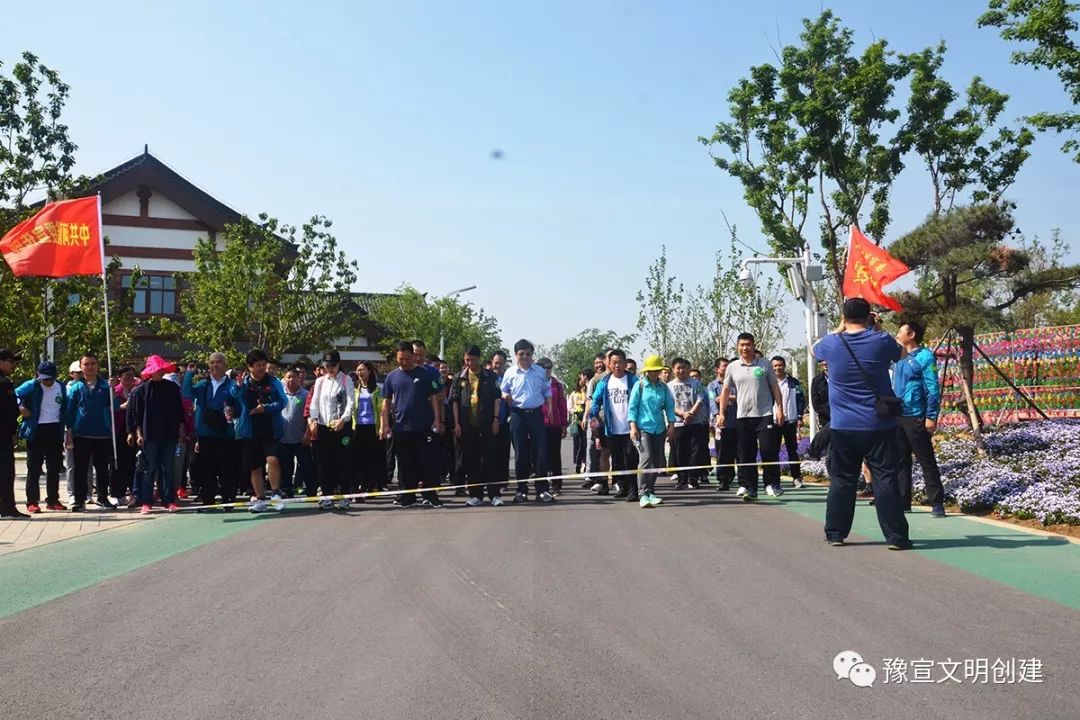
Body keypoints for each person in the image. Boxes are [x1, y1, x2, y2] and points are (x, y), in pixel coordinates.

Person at [813, 298, 910, 550]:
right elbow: (902, 353)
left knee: (842, 481)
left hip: (843, 426)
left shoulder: (831, 343)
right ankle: (896, 537)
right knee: (885, 479)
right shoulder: (881, 340)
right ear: (869, 317)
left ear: (844, 318)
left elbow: (813, 350)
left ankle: (835, 533)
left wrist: (839, 327)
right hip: (879, 425)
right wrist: (877, 328)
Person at [717, 334, 785, 501]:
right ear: (737, 347)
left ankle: (771, 484)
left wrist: (779, 409)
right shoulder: (733, 367)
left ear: (753, 346)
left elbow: (775, 387)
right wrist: (721, 413)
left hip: (764, 415)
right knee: (747, 454)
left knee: (768, 450)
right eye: (742, 345)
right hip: (743, 416)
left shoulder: (764, 364)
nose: (745, 348)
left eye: (748, 344)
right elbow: (725, 390)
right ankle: (751, 488)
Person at [381, 341, 444, 508]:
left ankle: (430, 495)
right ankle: (407, 496)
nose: (404, 362)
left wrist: (437, 420)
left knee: (427, 462)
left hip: (424, 426)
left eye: (407, 359)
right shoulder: (391, 377)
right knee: (405, 464)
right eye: (400, 359)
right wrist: (385, 424)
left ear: (412, 356)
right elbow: (386, 403)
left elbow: (435, 398)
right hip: (401, 428)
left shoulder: (425, 374)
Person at [893, 321, 945, 518]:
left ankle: (937, 503)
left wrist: (931, 416)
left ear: (912, 335)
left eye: (901, 332)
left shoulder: (925, 356)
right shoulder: (897, 357)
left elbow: (932, 388)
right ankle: (902, 501)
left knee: (926, 460)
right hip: (898, 415)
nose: (897, 335)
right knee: (900, 460)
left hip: (916, 415)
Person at [228, 348, 288, 513]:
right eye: (258, 365)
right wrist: (238, 385)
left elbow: (283, 402)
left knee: (272, 459)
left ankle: (276, 494)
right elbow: (234, 395)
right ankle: (260, 498)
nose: (262, 368)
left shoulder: (273, 382)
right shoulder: (244, 382)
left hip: (271, 428)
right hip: (251, 430)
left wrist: (266, 408)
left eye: (264, 364)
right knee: (255, 466)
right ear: (250, 367)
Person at [127, 355, 186, 514]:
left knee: (168, 468)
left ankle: (169, 500)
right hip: (149, 434)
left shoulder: (172, 388)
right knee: (149, 469)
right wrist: (137, 434)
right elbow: (136, 416)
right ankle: (146, 501)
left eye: (161, 369)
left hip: (169, 433)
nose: (159, 372)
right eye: (156, 370)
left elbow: (179, 412)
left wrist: (181, 429)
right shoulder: (140, 390)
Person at [500, 339, 556, 503]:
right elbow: (502, 391)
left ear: (532, 355)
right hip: (517, 415)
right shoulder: (510, 372)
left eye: (528, 354)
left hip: (536, 414)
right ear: (516, 355)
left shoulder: (540, 371)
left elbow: (547, 391)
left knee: (541, 452)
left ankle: (542, 490)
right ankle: (521, 490)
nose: (524, 357)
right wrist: (506, 396)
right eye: (521, 354)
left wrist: (550, 409)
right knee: (520, 453)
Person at [183, 353, 239, 508]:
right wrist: (189, 374)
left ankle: (228, 499)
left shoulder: (232, 385)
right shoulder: (203, 384)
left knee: (226, 468)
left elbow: (240, 406)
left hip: (225, 433)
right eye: (212, 362)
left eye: (218, 362)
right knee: (207, 469)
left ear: (225, 365)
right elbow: (186, 393)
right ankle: (208, 499)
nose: (215, 365)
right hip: (205, 433)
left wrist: (233, 411)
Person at [451, 345, 504, 506]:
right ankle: (476, 495)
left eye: (473, 360)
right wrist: (457, 423)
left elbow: (497, 399)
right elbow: (455, 401)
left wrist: (495, 419)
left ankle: (494, 494)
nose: (470, 363)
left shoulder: (490, 376)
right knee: (471, 461)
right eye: (467, 360)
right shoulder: (459, 377)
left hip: (487, 424)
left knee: (490, 460)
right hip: (467, 425)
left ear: (479, 359)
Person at [65, 353, 117, 512]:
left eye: (93, 363)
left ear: (98, 365)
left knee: (102, 468)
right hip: (81, 433)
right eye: (86, 364)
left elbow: (114, 406)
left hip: (102, 433)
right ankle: (79, 500)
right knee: (80, 469)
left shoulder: (105, 386)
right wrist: (69, 433)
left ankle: (103, 498)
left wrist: (113, 390)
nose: (90, 367)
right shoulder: (76, 387)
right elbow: (70, 412)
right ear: (81, 367)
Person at [16, 361, 67, 513]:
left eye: (50, 378)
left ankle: (53, 500)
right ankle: (32, 502)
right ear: (38, 375)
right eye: (45, 378)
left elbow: (65, 406)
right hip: (36, 430)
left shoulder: (61, 386)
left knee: (54, 468)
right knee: (34, 468)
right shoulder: (31, 385)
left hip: (55, 429)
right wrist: (21, 407)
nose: (48, 382)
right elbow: (14, 394)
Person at [308, 350, 355, 510]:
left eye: (333, 366)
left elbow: (351, 402)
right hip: (324, 426)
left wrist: (344, 419)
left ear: (338, 364)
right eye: (327, 366)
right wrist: (313, 419)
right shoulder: (320, 381)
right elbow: (314, 402)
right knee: (325, 462)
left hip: (342, 425)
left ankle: (344, 495)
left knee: (343, 460)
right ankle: (327, 495)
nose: (330, 369)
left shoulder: (346, 380)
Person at [589, 349, 638, 499]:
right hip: (612, 429)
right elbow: (595, 400)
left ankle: (633, 490)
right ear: (609, 364)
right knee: (617, 460)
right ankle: (622, 487)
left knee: (630, 458)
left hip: (630, 428)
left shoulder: (633, 381)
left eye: (620, 362)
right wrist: (593, 415)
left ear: (625, 363)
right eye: (614, 362)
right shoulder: (605, 382)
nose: (617, 365)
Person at [628, 355, 676, 508]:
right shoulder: (640, 386)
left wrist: (671, 425)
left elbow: (669, 407)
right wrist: (633, 426)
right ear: (646, 371)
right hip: (643, 428)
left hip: (659, 428)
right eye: (651, 371)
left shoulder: (663, 387)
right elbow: (632, 407)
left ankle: (650, 491)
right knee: (646, 459)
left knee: (657, 461)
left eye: (656, 370)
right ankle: (642, 493)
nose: (654, 373)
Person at [668, 357, 709, 490]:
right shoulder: (669, 386)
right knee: (680, 452)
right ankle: (682, 479)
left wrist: (690, 414)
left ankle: (693, 478)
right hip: (679, 424)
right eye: (678, 368)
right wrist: (682, 414)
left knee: (695, 451)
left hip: (695, 422)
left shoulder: (696, 383)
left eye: (684, 368)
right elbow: (668, 404)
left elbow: (700, 399)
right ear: (673, 370)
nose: (682, 370)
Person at [771, 356, 807, 489]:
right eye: (775, 366)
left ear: (784, 366)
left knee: (792, 450)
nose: (777, 368)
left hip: (790, 421)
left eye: (780, 365)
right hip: (773, 422)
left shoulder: (793, 382)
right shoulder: (768, 382)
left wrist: (799, 417)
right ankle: (774, 479)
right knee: (773, 451)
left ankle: (796, 477)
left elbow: (801, 399)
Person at [277, 366, 312, 499]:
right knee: (285, 467)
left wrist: (308, 433)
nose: (291, 380)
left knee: (307, 466)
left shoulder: (306, 395)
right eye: (288, 377)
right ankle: (286, 491)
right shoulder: (279, 394)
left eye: (294, 377)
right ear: (284, 379)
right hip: (283, 438)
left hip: (301, 438)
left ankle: (311, 491)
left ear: (299, 379)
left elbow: (310, 415)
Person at [0, 349, 27, 519]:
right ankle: (7, 508)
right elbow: (9, 411)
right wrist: (12, 431)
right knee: (6, 472)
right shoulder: (4, 383)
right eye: (10, 361)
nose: (13, 365)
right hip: (2, 434)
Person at [352, 361, 386, 493]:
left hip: (372, 426)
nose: (360, 372)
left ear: (370, 372)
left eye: (363, 370)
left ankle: (371, 484)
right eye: (358, 370)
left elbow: (382, 409)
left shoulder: (377, 389)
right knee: (358, 457)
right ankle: (359, 484)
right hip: (357, 426)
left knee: (371, 457)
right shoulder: (354, 388)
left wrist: (382, 427)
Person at [537, 357, 569, 494]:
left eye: (549, 368)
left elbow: (562, 406)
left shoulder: (557, 385)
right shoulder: (535, 384)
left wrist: (564, 425)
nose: (547, 370)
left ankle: (556, 485)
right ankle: (542, 485)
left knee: (555, 455)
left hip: (554, 424)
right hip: (538, 424)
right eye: (544, 368)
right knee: (540, 455)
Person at [707, 357, 738, 491]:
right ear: (717, 369)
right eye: (724, 366)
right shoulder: (712, 386)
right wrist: (717, 415)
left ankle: (737, 478)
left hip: (736, 422)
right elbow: (712, 401)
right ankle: (723, 480)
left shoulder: (735, 383)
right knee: (722, 453)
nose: (727, 368)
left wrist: (726, 397)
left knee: (737, 452)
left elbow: (741, 397)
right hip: (721, 425)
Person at [581, 353, 610, 490]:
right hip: (596, 420)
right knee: (592, 447)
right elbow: (590, 401)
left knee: (607, 451)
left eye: (601, 362)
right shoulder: (595, 380)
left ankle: (609, 479)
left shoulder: (616, 377)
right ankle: (590, 476)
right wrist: (587, 418)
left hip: (612, 422)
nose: (599, 365)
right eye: (597, 363)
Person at [112, 367, 138, 506]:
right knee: (117, 463)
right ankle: (117, 493)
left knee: (132, 463)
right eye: (126, 375)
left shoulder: (136, 391)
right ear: (120, 377)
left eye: (131, 376)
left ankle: (133, 492)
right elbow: (111, 408)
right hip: (118, 430)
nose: (129, 378)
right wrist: (123, 406)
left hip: (133, 431)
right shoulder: (115, 391)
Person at [489, 350, 512, 493]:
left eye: (501, 363)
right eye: (496, 363)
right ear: (492, 362)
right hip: (489, 421)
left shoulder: (509, 378)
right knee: (490, 454)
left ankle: (503, 481)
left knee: (504, 453)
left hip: (505, 421)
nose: (498, 366)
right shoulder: (487, 378)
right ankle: (491, 482)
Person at [568, 370, 593, 474]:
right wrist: (574, 410)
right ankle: (578, 464)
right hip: (576, 420)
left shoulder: (588, 391)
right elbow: (570, 406)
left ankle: (585, 463)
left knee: (586, 443)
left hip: (586, 418)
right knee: (578, 444)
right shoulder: (574, 394)